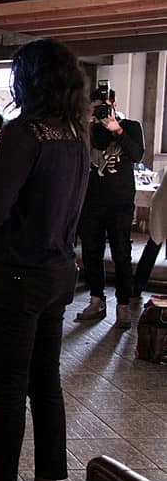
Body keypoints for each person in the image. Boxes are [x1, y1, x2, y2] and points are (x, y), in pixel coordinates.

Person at [0, 38, 91, 481]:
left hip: (16, 275)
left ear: (30, 81)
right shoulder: (76, 133)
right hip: (57, 271)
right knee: (46, 383)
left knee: (8, 388)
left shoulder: (25, 133)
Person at [76, 86, 145, 329]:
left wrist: (116, 129)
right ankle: (97, 300)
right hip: (91, 202)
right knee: (91, 252)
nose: (101, 112)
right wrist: (88, 124)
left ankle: (123, 305)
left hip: (120, 203)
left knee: (121, 253)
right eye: (96, 108)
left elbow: (137, 155)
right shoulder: (87, 130)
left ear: (114, 105)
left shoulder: (131, 127)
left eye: (104, 107)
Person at [133, 167, 167, 298]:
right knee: (154, 244)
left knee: (153, 245)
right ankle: (137, 287)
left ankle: (137, 287)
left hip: (161, 201)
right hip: (163, 203)